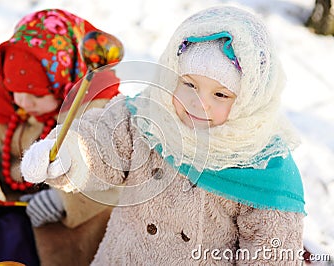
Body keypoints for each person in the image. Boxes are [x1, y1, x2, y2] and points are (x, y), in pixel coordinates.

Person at [21, 6, 306, 265]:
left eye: (220, 94)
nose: (199, 103)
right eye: (189, 85)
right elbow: (102, 141)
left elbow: (271, 252)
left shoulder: (266, 169)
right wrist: (67, 154)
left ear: (249, 100)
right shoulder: (149, 117)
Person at [0, 9, 120, 266]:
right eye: (16, 90)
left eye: (36, 94)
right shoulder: (9, 104)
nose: (23, 101)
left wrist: (65, 201)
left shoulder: (97, 116)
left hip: (57, 224)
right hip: (4, 196)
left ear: (63, 81)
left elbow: (112, 175)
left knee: (2, 238)